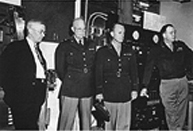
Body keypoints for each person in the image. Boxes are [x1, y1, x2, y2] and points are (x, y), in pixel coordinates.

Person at [141, 24, 193, 130]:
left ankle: (179, 129)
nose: (174, 35)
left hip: (182, 82)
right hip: (167, 85)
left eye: (174, 32)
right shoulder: (156, 50)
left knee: (182, 112)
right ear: (164, 35)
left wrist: (191, 75)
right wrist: (144, 86)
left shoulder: (180, 46)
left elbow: (191, 58)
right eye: (171, 33)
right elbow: (148, 68)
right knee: (171, 113)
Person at [0, 19, 47, 130]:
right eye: (41, 31)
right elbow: (3, 71)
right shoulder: (15, 48)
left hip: (36, 97)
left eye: (44, 32)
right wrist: (12, 93)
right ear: (30, 30)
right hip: (21, 99)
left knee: (32, 126)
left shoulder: (38, 50)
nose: (43, 35)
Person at [95, 23, 139, 130]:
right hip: (109, 95)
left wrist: (135, 89)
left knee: (124, 126)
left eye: (123, 33)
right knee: (109, 125)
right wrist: (98, 91)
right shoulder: (102, 52)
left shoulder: (130, 52)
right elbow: (97, 73)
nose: (122, 35)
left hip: (125, 94)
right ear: (112, 34)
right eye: (119, 32)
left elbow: (134, 72)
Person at [55, 17, 96, 130]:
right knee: (66, 123)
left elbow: (93, 66)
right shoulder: (64, 46)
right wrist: (71, 80)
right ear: (73, 29)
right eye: (79, 29)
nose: (82, 32)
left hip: (87, 89)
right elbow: (60, 69)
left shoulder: (91, 44)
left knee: (86, 123)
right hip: (70, 89)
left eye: (84, 29)